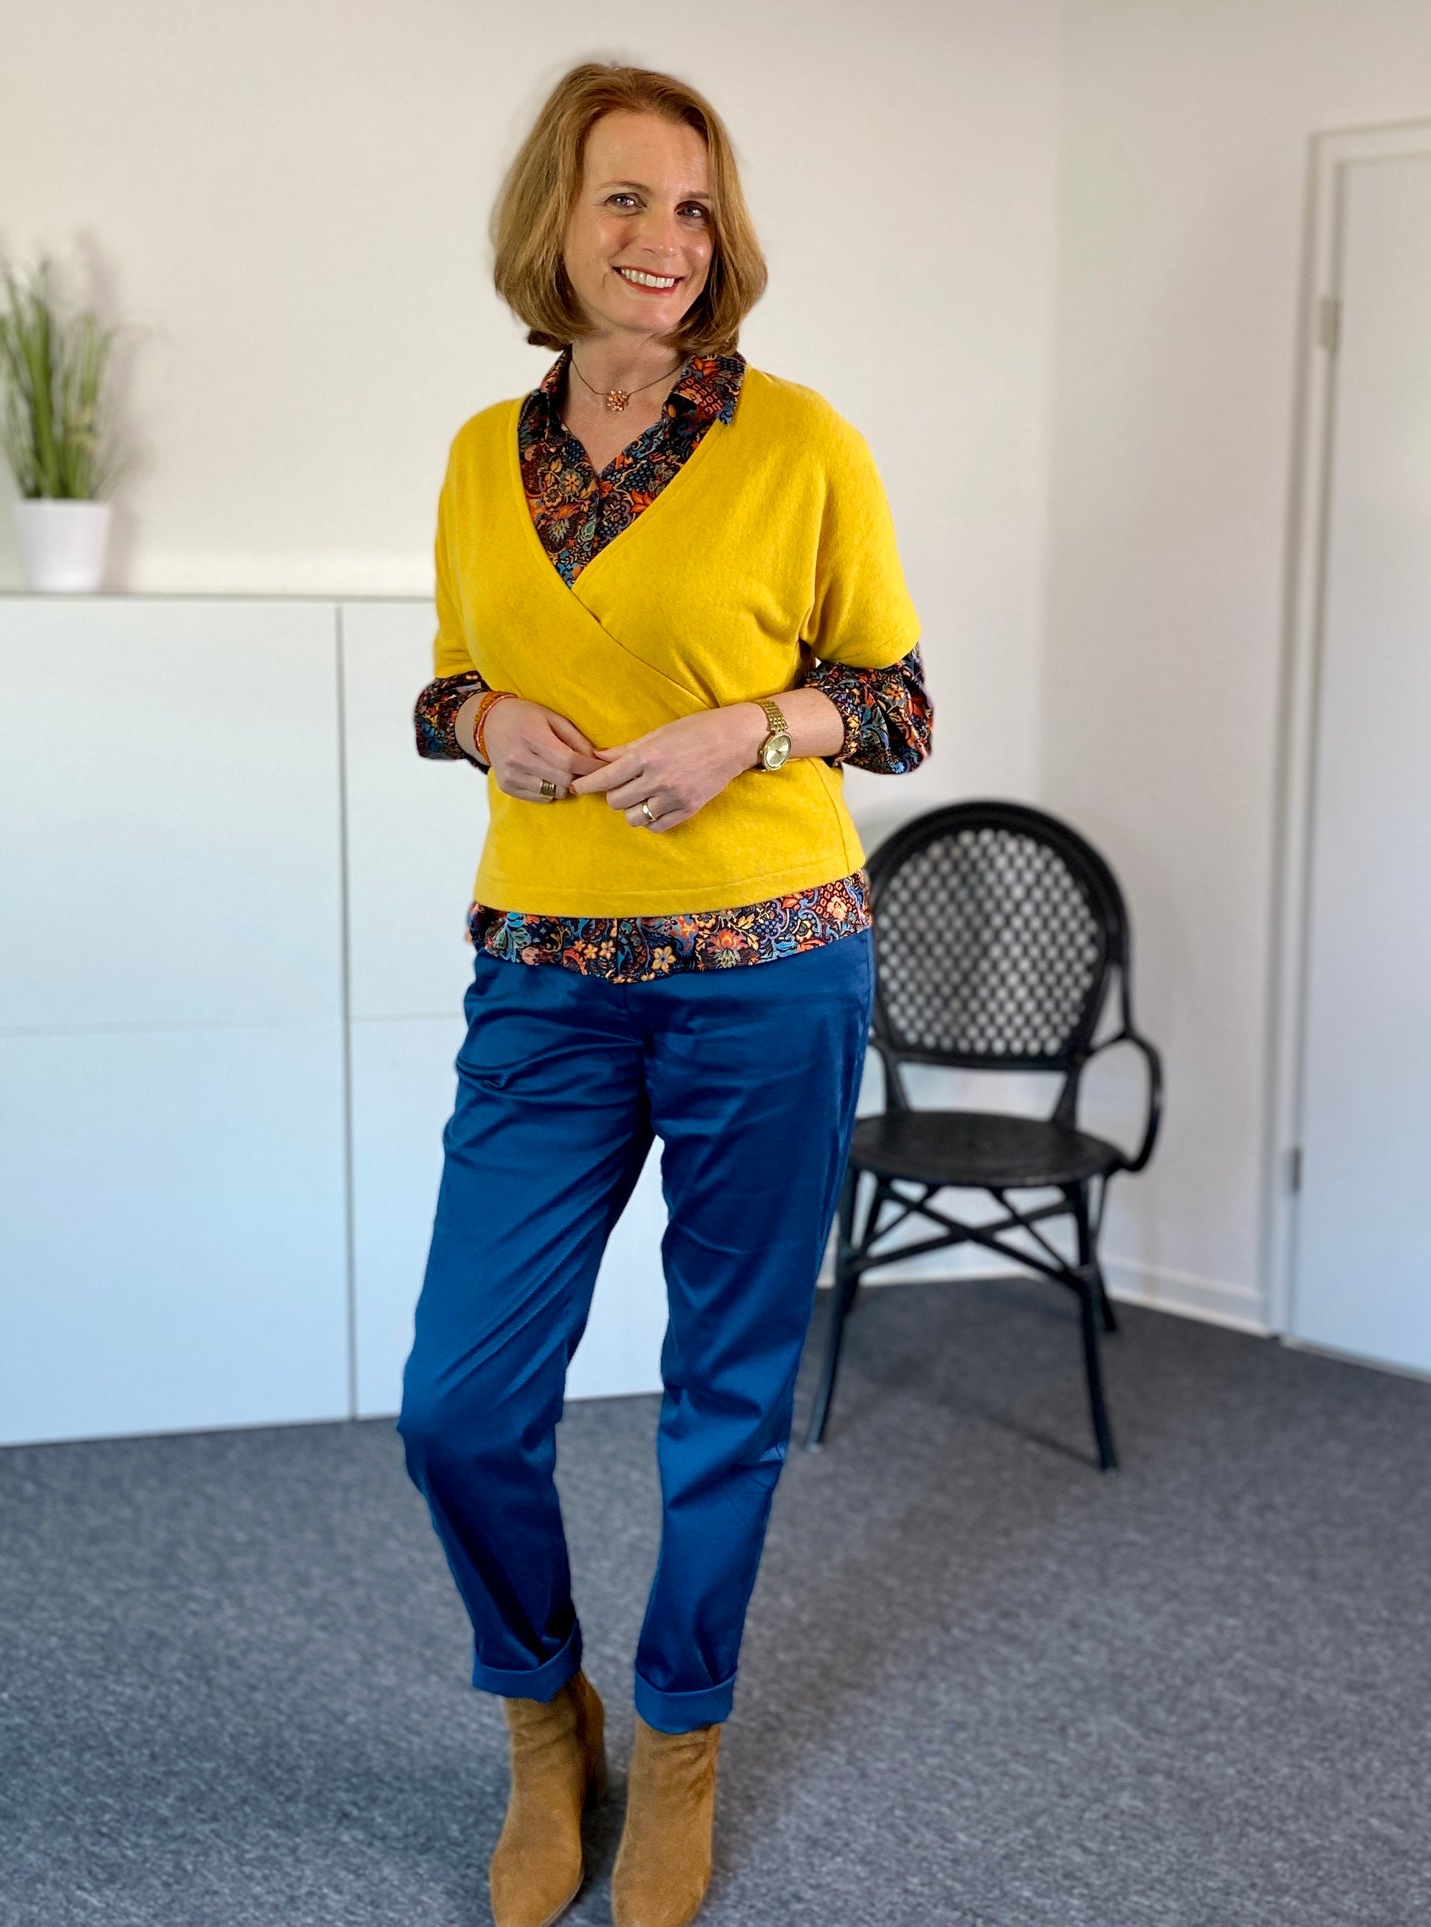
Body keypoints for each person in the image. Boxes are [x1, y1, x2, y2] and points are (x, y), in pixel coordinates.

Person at [396, 58, 932, 1927]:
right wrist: (485, 718)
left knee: (723, 1389)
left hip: (768, 975)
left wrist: (750, 730)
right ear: (553, 216)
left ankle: (682, 1737)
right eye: (626, 197)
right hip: (544, 981)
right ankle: (546, 1722)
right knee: (458, 1403)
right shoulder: (481, 450)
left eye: (694, 208)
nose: (665, 239)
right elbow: (440, 684)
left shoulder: (801, 442)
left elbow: (896, 703)